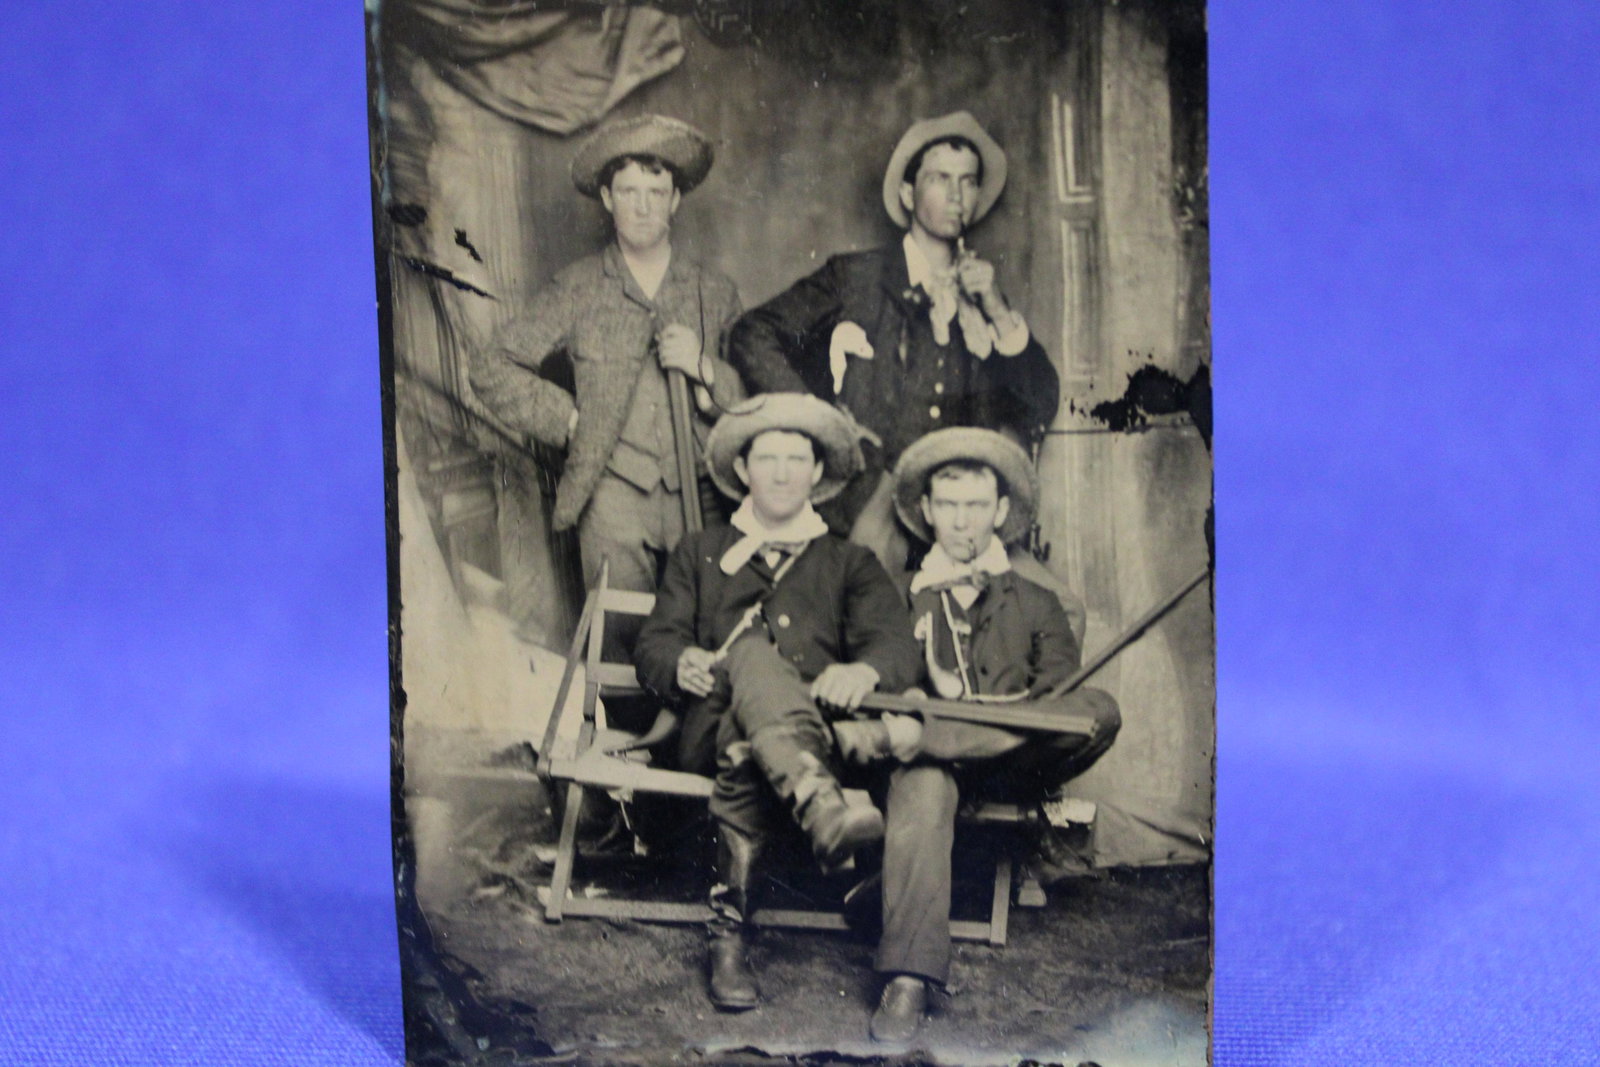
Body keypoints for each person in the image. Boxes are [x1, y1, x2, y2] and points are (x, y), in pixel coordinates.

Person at [831, 427, 1122, 1045]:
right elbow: (882, 673)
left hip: (1010, 762)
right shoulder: (893, 596)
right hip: (921, 771)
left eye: (977, 506)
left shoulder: (1041, 603)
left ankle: (918, 743)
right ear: (926, 512)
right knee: (925, 780)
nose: (963, 522)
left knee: (1099, 708)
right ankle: (908, 978)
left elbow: (1060, 700)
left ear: (1002, 512)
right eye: (950, 506)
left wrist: (932, 727)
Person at [632, 394, 921, 1012]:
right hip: (706, 731)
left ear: (819, 473)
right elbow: (655, 642)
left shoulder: (851, 562)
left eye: (798, 458)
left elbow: (897, 647)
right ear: (743, 470)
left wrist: (863, 670)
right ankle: (820, 806)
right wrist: (677, 662)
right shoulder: (699, 551)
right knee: (753, 657)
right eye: (769, 458)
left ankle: (727, 939)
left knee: (748, 744)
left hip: (814, 737)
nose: (784, 472)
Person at [727, 111, 1059, 573]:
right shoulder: (857, 277)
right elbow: (751, 334)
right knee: (879, 603)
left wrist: (998, 311)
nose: (957, 194)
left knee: (1057, 609)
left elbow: (1040, 404)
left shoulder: (984, 298)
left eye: (967, 181)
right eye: (940, 179)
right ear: (908, 193)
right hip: (874, 497)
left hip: (960, 505)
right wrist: (819, 420)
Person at [470, 114, 745, 603]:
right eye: (628, 192)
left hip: (703, 494)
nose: (642, 207)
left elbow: (745, 404)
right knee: (620, 644)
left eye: (656, 193)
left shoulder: (714, 291)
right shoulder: (578, 287)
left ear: (676, 200)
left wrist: (703, 366)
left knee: (704, 639)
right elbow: (491, 365)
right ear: (606, 199)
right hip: (613, 496)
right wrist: (571, 422)